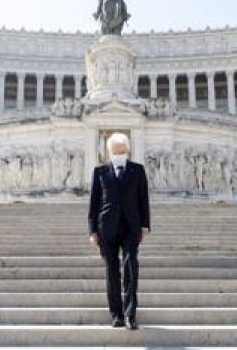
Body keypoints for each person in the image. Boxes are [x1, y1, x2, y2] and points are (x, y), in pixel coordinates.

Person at [87, 132, 151, 330]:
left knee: (131, 266)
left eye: (121, 151)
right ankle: (116, 314)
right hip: (106, 227)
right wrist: (92, 231)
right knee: (112, 272)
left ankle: (130, 314)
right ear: (109, 152)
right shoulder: (99, 172)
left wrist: (145, 225)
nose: (118, 155)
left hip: (131, 227)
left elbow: (143, 199)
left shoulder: (138, 170)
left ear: (128, 151)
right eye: (115, 152)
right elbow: (94, 203)